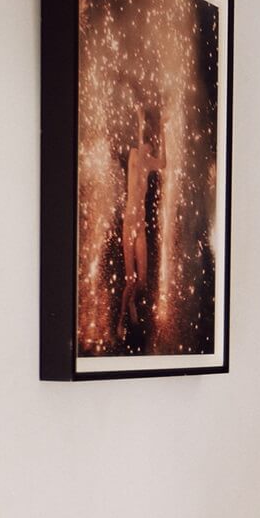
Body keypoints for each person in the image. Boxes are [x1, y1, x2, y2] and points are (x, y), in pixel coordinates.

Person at [117, 100, 165, 343]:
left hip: (141, 227)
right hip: (128, 226)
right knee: (129, 280)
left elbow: (164, 164)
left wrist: (165, 131)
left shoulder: (147, 163)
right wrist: (139, 119)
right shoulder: (134, 157)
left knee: (142, 281)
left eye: (149, 146)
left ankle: (134, 303)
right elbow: (137, 142)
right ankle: (121, 318)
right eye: (145, 145)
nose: (146, 149)